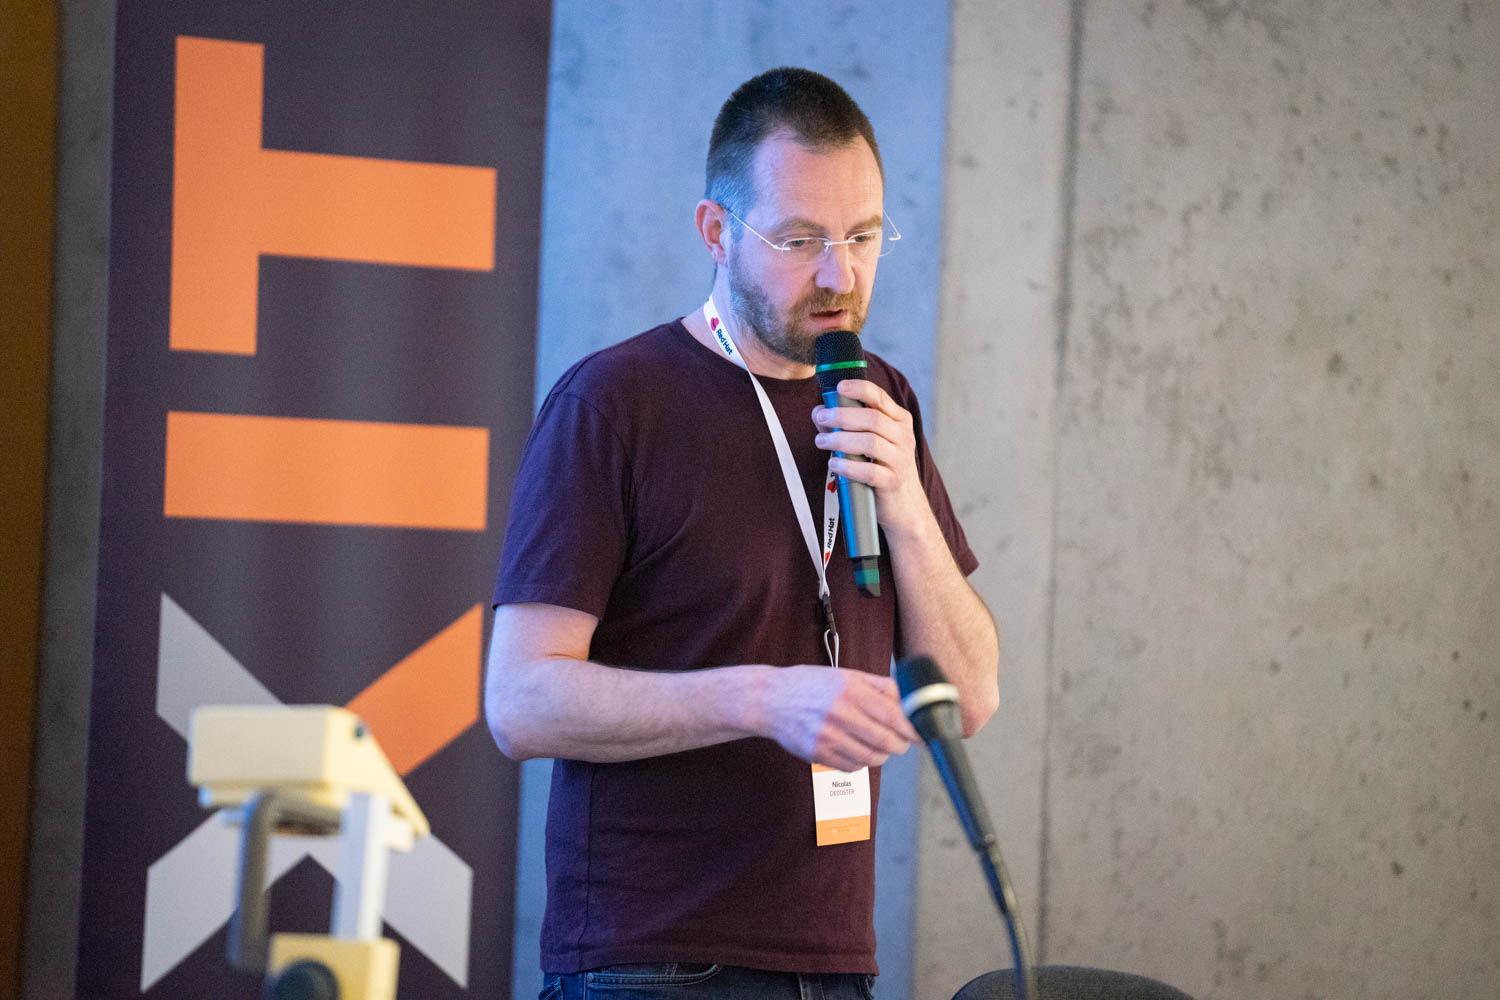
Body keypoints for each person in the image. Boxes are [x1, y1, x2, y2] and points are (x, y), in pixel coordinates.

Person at [486, 66, 999, 1000]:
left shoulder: (878, 401)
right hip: (654, 963)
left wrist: (908, 507)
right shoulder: (615, 405)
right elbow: (520, 702)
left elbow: (967, 699)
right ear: (716, 232)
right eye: (800, 240)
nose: (840, 275)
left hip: (836, 962)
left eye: (863, 236)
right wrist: (762, 698)